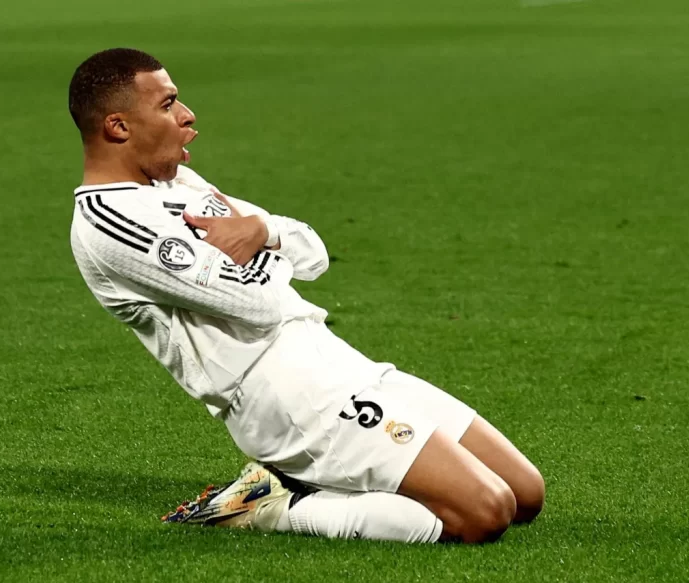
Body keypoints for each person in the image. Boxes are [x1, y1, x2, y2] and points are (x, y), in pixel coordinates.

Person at [67, 48, 545, 544]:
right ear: (118, 127)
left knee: (525, 493)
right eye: (168, 105)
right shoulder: (110, 221)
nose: (187, 116)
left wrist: (262, 231)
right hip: (286, 396)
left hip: (336, 362)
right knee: (485, 512)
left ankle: (341, 482)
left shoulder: (180, 184)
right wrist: (266, 248)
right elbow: (261, 305)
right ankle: (272, 506)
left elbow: (312, 252)